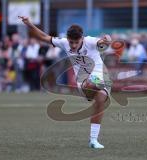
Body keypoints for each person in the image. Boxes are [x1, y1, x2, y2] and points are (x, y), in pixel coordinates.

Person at [19, 16, 112, 149]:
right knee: (94, 84)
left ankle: (93, 140)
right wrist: (29, 24)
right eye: (71, 42)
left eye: (76, 42)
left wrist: (107, 40)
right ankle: (99, 83)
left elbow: (103, 42)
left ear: (82, 38)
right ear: (67, 39)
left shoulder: (90, 41)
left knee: (101, 100)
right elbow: (44, 37)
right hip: (83, 81)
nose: (73, 45)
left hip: (98, 78)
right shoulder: (63, 42)